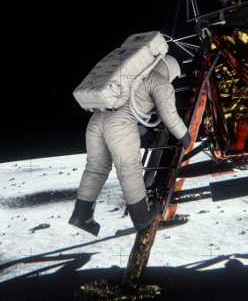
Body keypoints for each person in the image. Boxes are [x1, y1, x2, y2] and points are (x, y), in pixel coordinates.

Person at [69, 54, 191, 236]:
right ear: (171, 71)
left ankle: (82, 214)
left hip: (96, 120)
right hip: (120, 124)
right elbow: (169, 117)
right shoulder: (161, 81)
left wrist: (143, 133)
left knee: (96, 168)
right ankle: (141, 215)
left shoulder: (136, 74)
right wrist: (187, 138)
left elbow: (133, 106)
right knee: (129, 168)